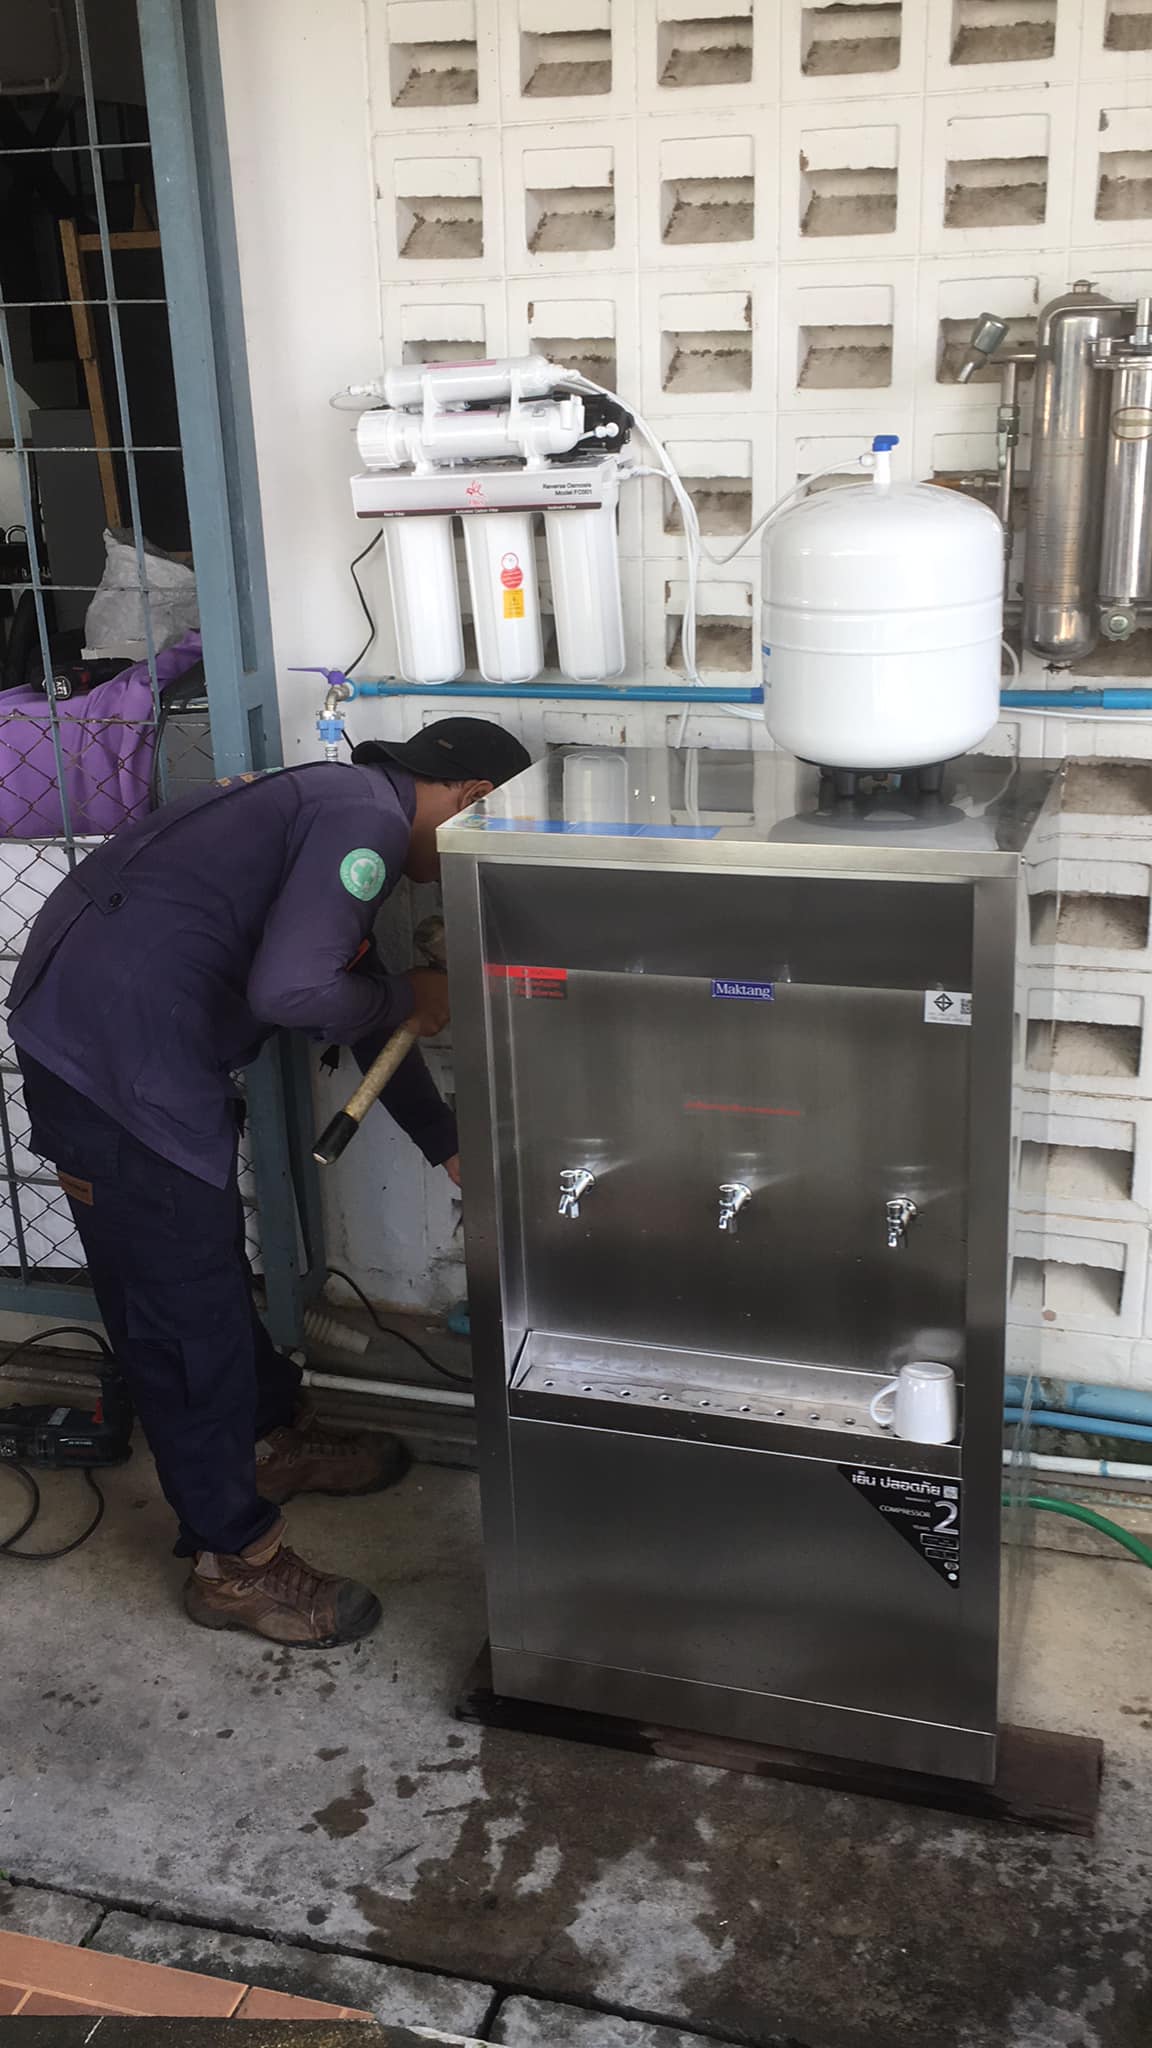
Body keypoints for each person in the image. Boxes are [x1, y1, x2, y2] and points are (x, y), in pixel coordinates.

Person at [7, 717, 530, 1647]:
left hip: (125, 1038)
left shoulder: (344, 803)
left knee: (202, 1273)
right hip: (112, 1065)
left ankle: (264, 1442)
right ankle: (232, 1563)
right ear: (471, 798)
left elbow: (353, 999)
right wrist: (412, 995)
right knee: (184, 1317)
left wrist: (446, 1141)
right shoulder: (364, 827)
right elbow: (293, 992)